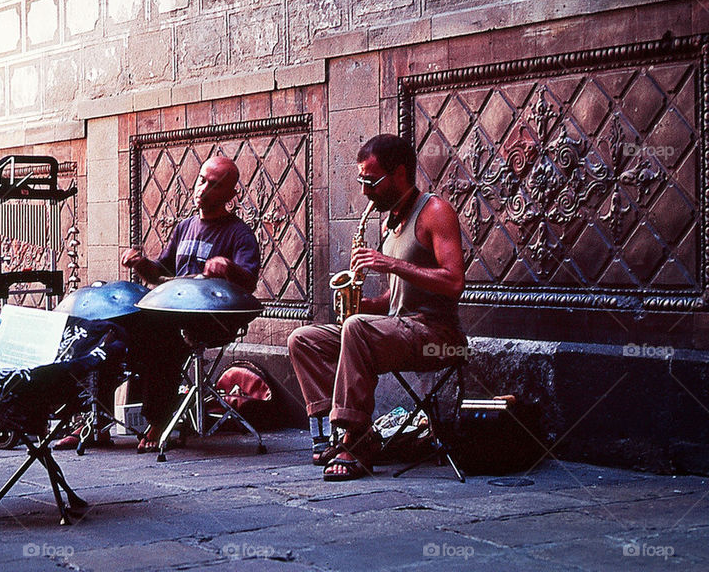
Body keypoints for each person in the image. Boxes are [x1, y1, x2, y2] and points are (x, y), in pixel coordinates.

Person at [287, 134, 466, 481]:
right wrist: (368, 304)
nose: (364, 191)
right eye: (361, 181)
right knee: (304, 339)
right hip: (399, 329)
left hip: (439, 336)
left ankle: (355, 442)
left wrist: (391, 264)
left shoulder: (435, 212)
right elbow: (398, 295)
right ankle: (349, 433)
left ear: (399, 174)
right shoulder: (390, 222)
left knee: (357, 329)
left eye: (371, 181)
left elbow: (454, 282)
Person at [122, 155, 261, 453]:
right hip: (174, 314)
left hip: (210, 321)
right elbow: (160, 273)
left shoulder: (239, 234)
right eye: (202, 180)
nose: (203, 189)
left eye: (215, 185)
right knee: (122, 323)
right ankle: (92, 418)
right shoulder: (184, 227)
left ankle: (159, 420)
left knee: (159, 336)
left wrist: (229, 269)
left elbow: (249, 284)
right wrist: (141, 263)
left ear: (230, 195)